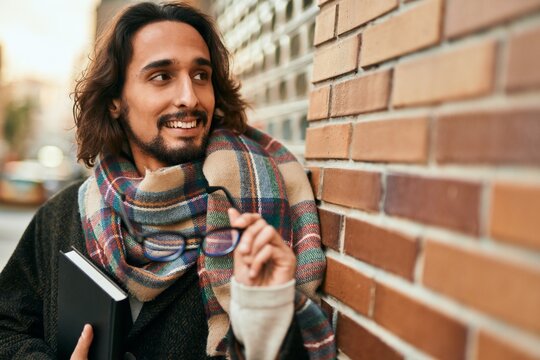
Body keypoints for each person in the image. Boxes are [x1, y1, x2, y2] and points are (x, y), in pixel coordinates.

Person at [0, 2, 336, 359]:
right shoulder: (62, 216)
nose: (189, 97)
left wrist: (269, 314)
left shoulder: (254, 211)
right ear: (115, 100)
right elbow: (7, 327)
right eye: (162, 77)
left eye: (200, 76)